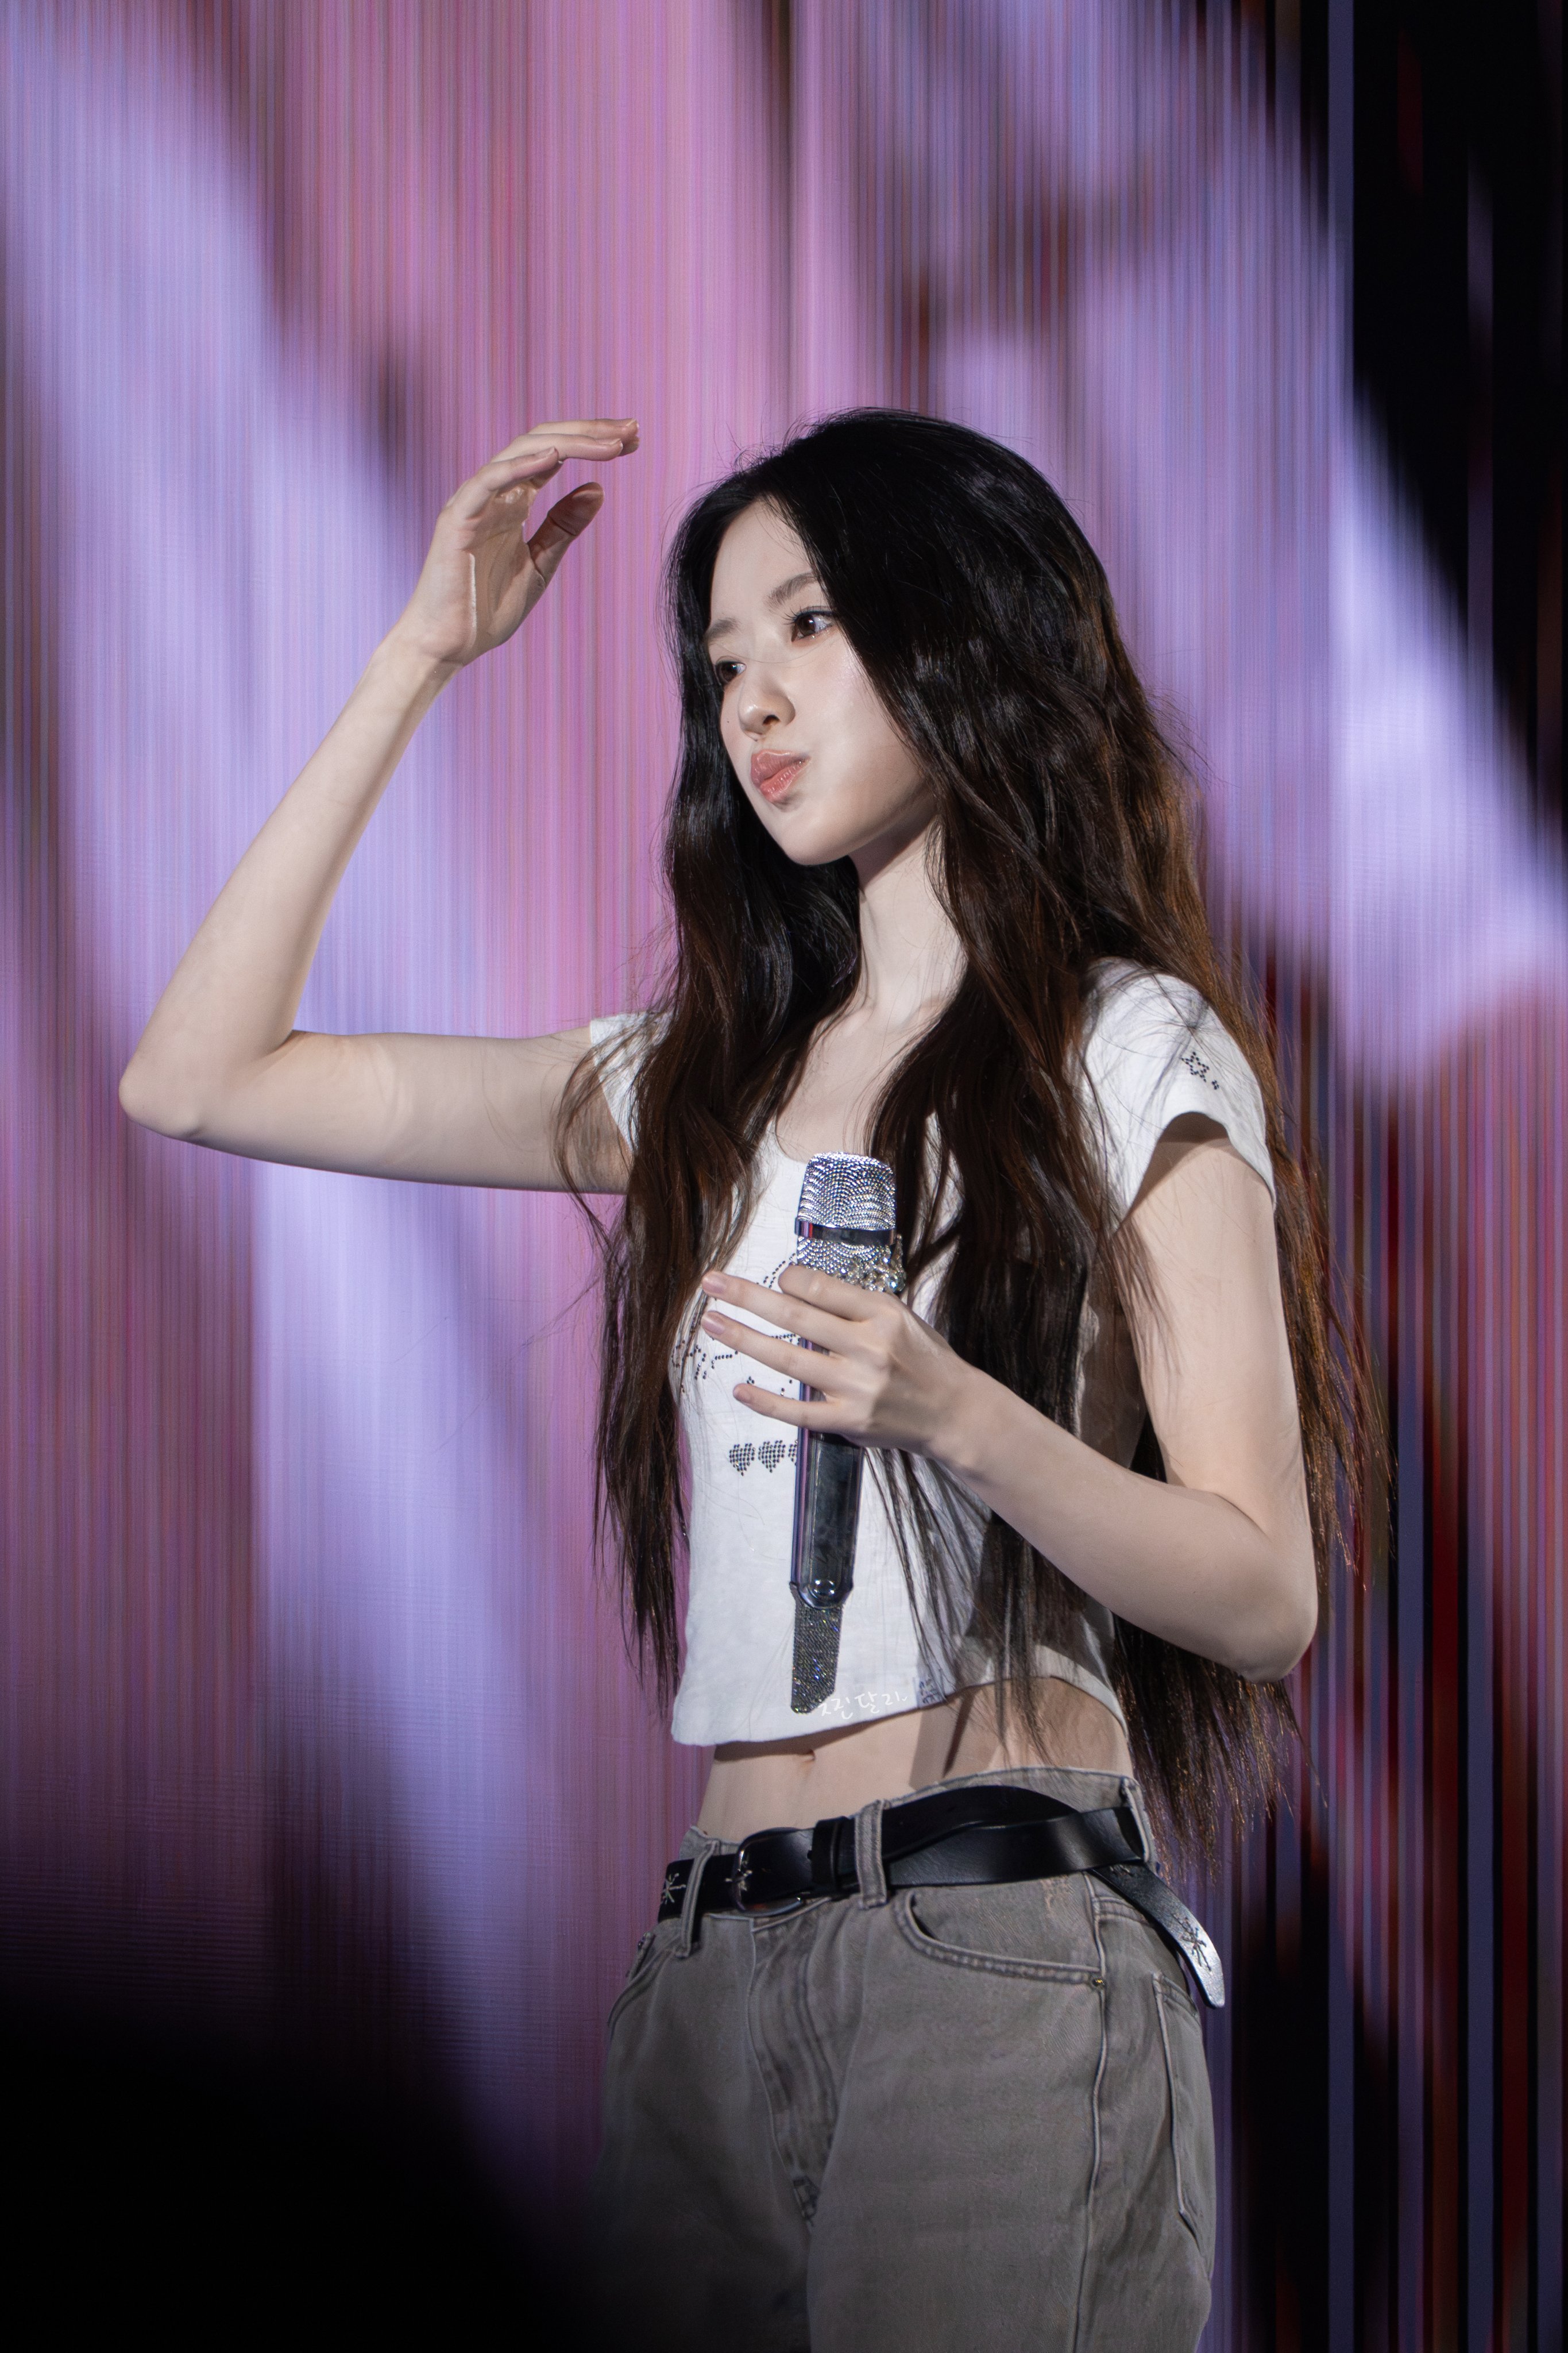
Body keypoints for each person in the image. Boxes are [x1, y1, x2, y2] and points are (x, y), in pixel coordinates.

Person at [121, 407, 1353, 2352]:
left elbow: (1259, 1587)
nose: (752, 701)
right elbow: (198, 1075)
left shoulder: (1127, 1048)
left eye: (808, 626)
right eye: (719, 661)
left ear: (965, 629)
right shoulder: (704, 1086)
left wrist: (955, 1413)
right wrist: (419, 657)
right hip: (705, 1968)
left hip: (990, 1938)